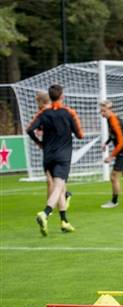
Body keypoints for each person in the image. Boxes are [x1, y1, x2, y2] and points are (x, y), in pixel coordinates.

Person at [26, 84, 83, 235]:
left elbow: (29, 129)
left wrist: (40, 143)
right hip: (63, 155)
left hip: (48, 155)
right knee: (58, 186)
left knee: (61, 186)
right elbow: (80, 135)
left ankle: (64, 221)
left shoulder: (43, 113)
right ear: (62, 96)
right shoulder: (69, 112)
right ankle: (45, 213)